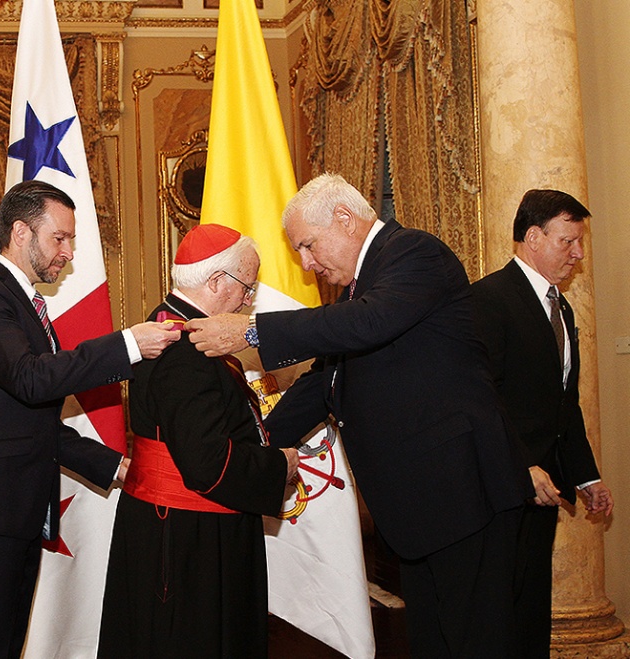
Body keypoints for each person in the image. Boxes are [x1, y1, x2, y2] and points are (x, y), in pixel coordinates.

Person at [184, 173, 533, 658]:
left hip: (464, 493)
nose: (306, 265)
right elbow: (324, 384)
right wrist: (248, 448)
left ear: (345, 219)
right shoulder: (360, 288)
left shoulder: (413, 253)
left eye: (307, 246)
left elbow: (370, 322)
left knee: (477, 642)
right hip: (421, 507)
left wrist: (252, 331)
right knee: (433, 642)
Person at [0, 179, 180, 659]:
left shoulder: (21, 301)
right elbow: (30, 380)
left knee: (5, 646)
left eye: (71, 240)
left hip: (15, 508)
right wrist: (128, 344)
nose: (68, 253)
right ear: (21, 232)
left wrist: (116, 466)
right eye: (59, 238)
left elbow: (30, 420)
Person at [97, 224, 299, 659]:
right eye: (247, 287)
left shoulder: (169, 324)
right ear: (217, 282)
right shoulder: (184, 351)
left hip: (178, 525)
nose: (248, 301)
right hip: (190, 536)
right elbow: (208, 463)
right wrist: (278, 466)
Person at [470, 189, 614, 658]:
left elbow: (563, 402)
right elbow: (481, 398)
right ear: (533, 238)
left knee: (531, 605)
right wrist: (521, 466)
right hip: (500, 486)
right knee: (498, 609)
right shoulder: (489, 298)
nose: (578, 254)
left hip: (545, 486)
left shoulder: (561, 306)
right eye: (567, 241)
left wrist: (586, 476)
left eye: (579, 242)